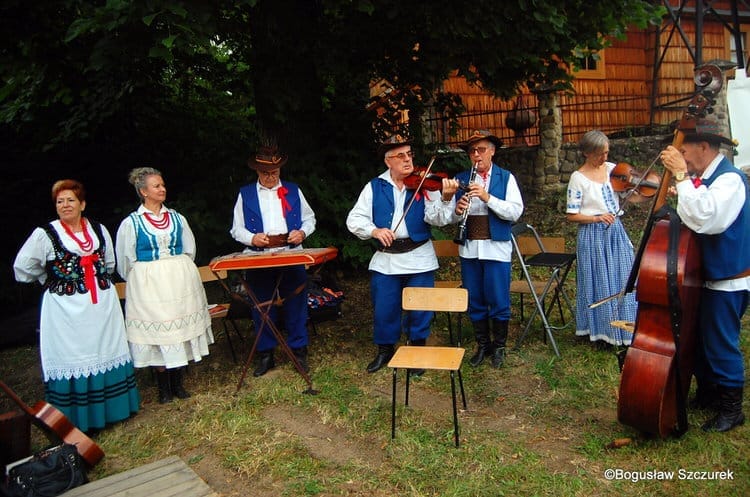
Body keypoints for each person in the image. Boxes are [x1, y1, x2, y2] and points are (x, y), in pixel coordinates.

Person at [13, 179, 140, 432]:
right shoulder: (45, 234)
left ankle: (114, 410)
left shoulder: (97, 229)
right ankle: (79, 417)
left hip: (101, 305)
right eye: (60, 201)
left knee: (105, 348)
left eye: (70, 200)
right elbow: (22, 268)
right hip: (65, 309)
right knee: (74, 354)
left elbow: (110, 263)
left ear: (82, 204)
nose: (65, 205)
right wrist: (50, 277)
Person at [660, 118, 749, 433]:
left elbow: (707, 220)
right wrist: (685, 185)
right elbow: (693, 211)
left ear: (704, 147)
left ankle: (731, 409)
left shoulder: (730, 181)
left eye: (685, 149)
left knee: (721, 342)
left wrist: (683, 178)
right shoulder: (707, 179)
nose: (682, 155)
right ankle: (709, 393)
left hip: (727, 279)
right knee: (700, 339)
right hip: (706, 276)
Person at [346, 135, 458, 373]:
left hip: (419, 256)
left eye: (409, 154)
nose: (407, 160)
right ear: (388, 162)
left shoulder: (425, 184)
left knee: (420, 307)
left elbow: (438, 218)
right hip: (386, 259)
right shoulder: (374, 186)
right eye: (401, 156)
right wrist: (374, 230)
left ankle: (417, 350)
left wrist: (447, 198)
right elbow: (354, 219)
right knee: (384, 307)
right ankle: (385, 351)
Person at [116, 167, 213, 403]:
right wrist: (144, 277)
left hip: (178, 280)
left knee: (178, 326)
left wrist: (177, 269)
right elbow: (125, 260)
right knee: (159, 330)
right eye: (156, 186)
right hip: (149, 284)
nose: (162, 189)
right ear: (143, 191)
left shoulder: (177, 218)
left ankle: (178, 383)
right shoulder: (132, 223)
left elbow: (189, 249)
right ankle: (163, 388)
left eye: (162, 185)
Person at [230, 145, 317, 377]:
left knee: (296, 301)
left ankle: (299, 350)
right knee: (262, 305)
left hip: (291, 252)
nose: (271, 177)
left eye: (275, 172)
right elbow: (236, 229)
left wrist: (302, 233)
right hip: (259, 255)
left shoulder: (293, 190)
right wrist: (252, 238)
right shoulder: (245, 194)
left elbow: (310, 219)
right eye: (267, 173)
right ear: (258, 172)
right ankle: (266, 354)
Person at [448, 130, 524, 368]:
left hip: (496, 247)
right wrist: (457, 209)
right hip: (470, 247)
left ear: (492, 151)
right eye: (472, 151)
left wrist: (487, 197)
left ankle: (499, 346)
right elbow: (447, 216)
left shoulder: (505, 178)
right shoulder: (461, 178)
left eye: (481, 150)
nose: (476, 155)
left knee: (498, 298)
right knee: (475, 298)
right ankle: (483, 345)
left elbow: (515, 211)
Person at [565, 130, 637, 347]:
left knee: (624, 276)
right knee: (599, 281)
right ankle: (601, 333)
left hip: (615, 231)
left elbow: (631, 195)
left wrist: (647, 189)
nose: (604, 158)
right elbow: (572, 215)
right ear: (587, 153)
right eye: (599, 154)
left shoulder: (613, 169)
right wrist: (596, 217)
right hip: (593, 235)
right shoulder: (578, 179)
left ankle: (625, 327)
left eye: (606, 153)